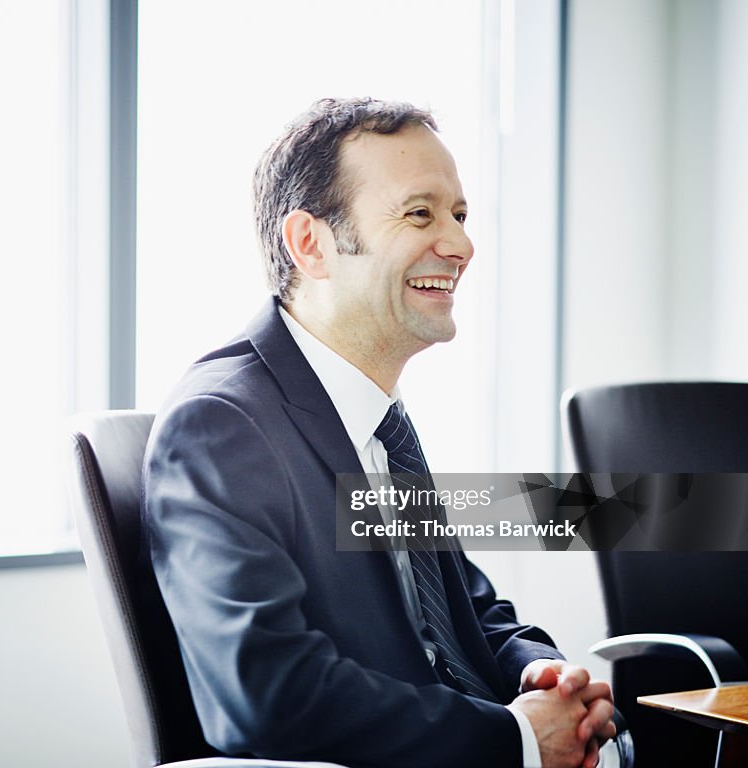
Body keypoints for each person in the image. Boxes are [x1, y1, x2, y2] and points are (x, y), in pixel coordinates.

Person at [141, 97, 616, 768]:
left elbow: (468, 611)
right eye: (419, 213)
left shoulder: (377, 420)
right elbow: (269, 694)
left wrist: (547, 679)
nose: (460, 245)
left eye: (459, 215)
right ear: (310, 244)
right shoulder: (222, 425)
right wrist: (516, 741)